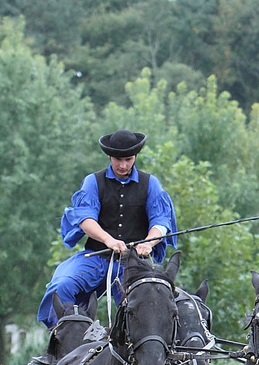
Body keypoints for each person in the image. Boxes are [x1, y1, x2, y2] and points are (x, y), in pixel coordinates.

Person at [37, 129, 178, 327]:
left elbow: (161, 221)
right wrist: (108, 240)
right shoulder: (92, 182)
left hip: (134, 264)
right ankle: (63, 338)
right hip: (96, 257)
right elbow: (85, 219)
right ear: (110, 156)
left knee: (145, 303)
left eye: (128, 159)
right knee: (61, 286)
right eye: (118, 159)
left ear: (135, 156)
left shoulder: (151, 184)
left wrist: (149, 242)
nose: (123, 165)